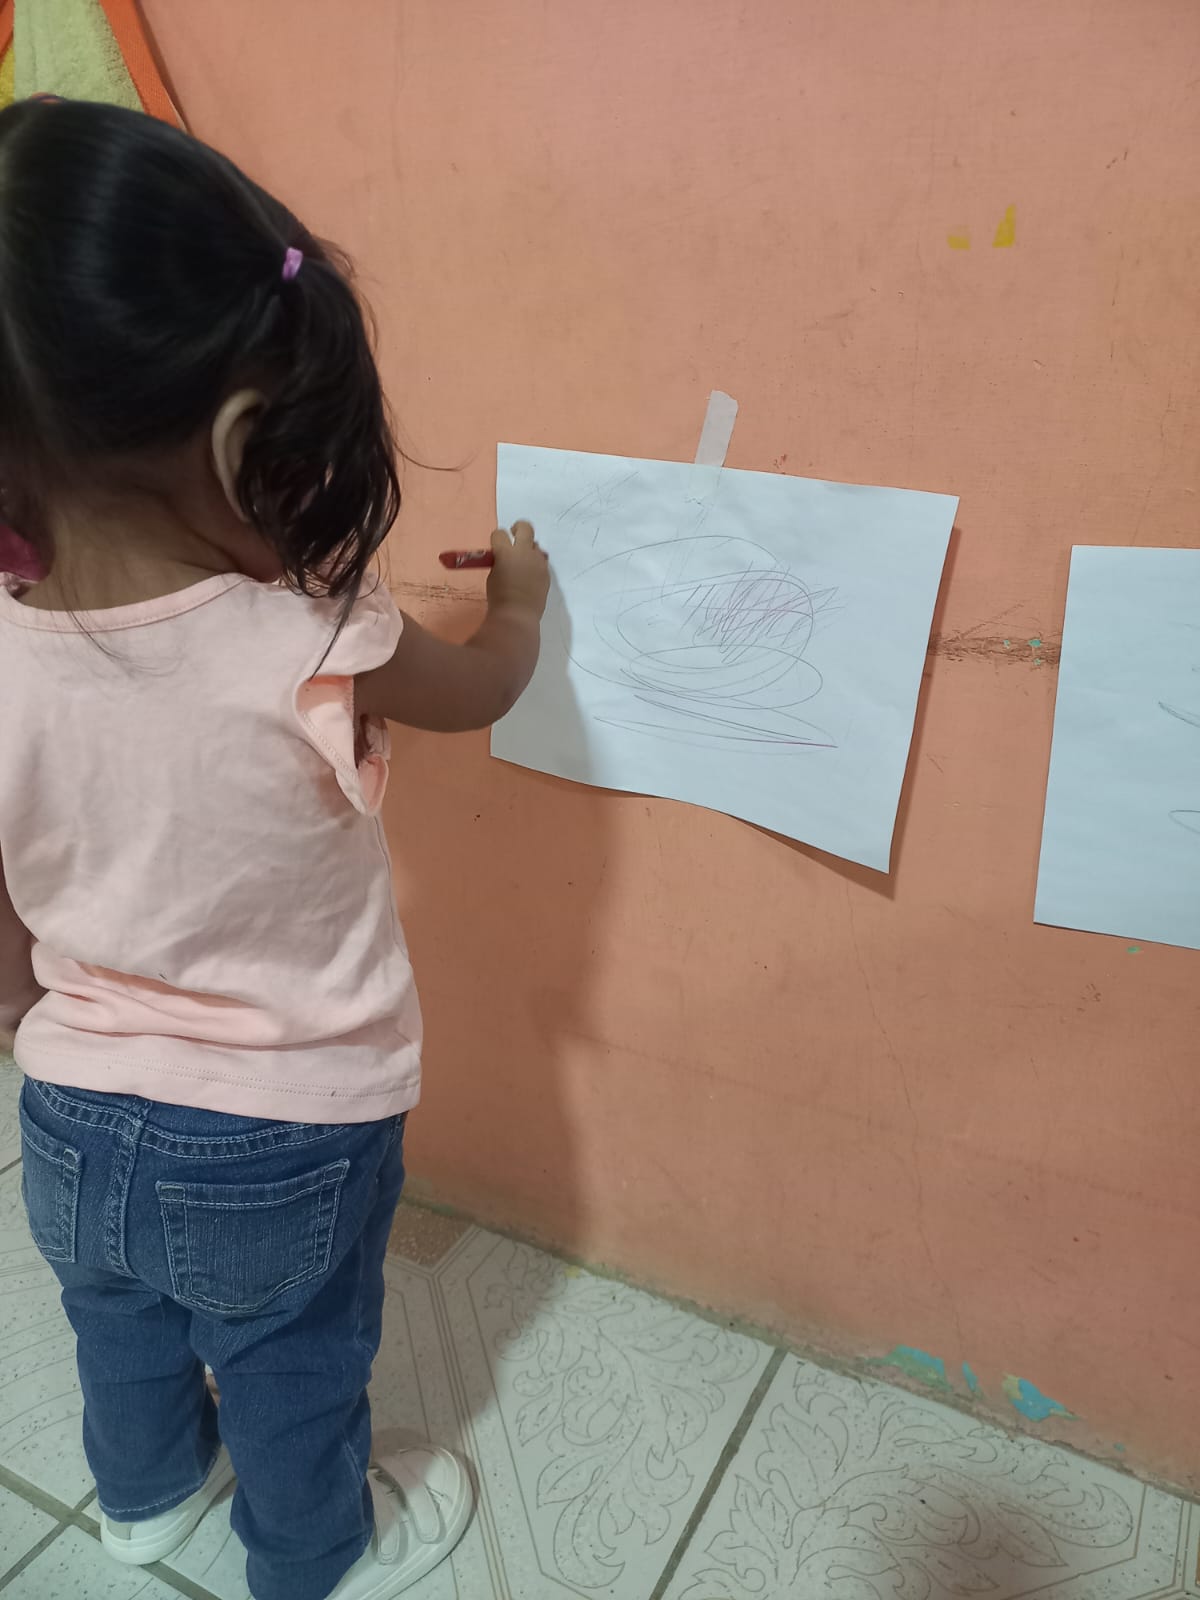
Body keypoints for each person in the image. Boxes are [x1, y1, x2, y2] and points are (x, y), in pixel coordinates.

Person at [0, 97, 550, 1600]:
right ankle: (311, 1557)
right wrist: (518, 604)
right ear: (246, 435)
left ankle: (142, 1507)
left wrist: (32, 1009)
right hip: (286, 1128)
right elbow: (485, 688)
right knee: (296, 1359)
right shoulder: (311, 631)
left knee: (116, 1326)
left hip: (67, 1105)